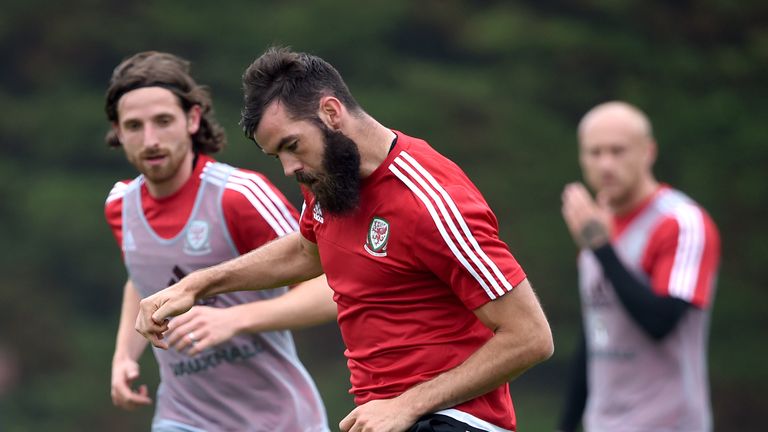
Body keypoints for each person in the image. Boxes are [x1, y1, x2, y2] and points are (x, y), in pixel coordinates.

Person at [134, 46, 554, 432]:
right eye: (276, 155)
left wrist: (407, 404)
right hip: (383, 417)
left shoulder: (429, 201)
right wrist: (196, 285)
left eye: (292, 145)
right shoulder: (329, 177)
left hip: (452, 420)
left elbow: (530, 337)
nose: (288, 167)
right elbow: (305, 250)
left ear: (332, 113)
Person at [103, 51, 335, 432]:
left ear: (192, 119)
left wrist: (235, 319)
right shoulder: (119, 206)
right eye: (134, 125)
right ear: (118, 130)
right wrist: (124, 355)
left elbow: (331, 285)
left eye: (163, 121)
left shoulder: (239, 195)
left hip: (278, 420)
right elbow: (142, 276)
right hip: (183, 418)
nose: (150, 140)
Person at [557, 101, 721, 432]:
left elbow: (661, 321)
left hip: (668, 423)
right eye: (595, 152)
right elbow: (596, 331)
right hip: (604, 424)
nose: (606, 164)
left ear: (648, 152)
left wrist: (602, 248)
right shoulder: (597, 227)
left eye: (618, 151)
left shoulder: (681, 222)